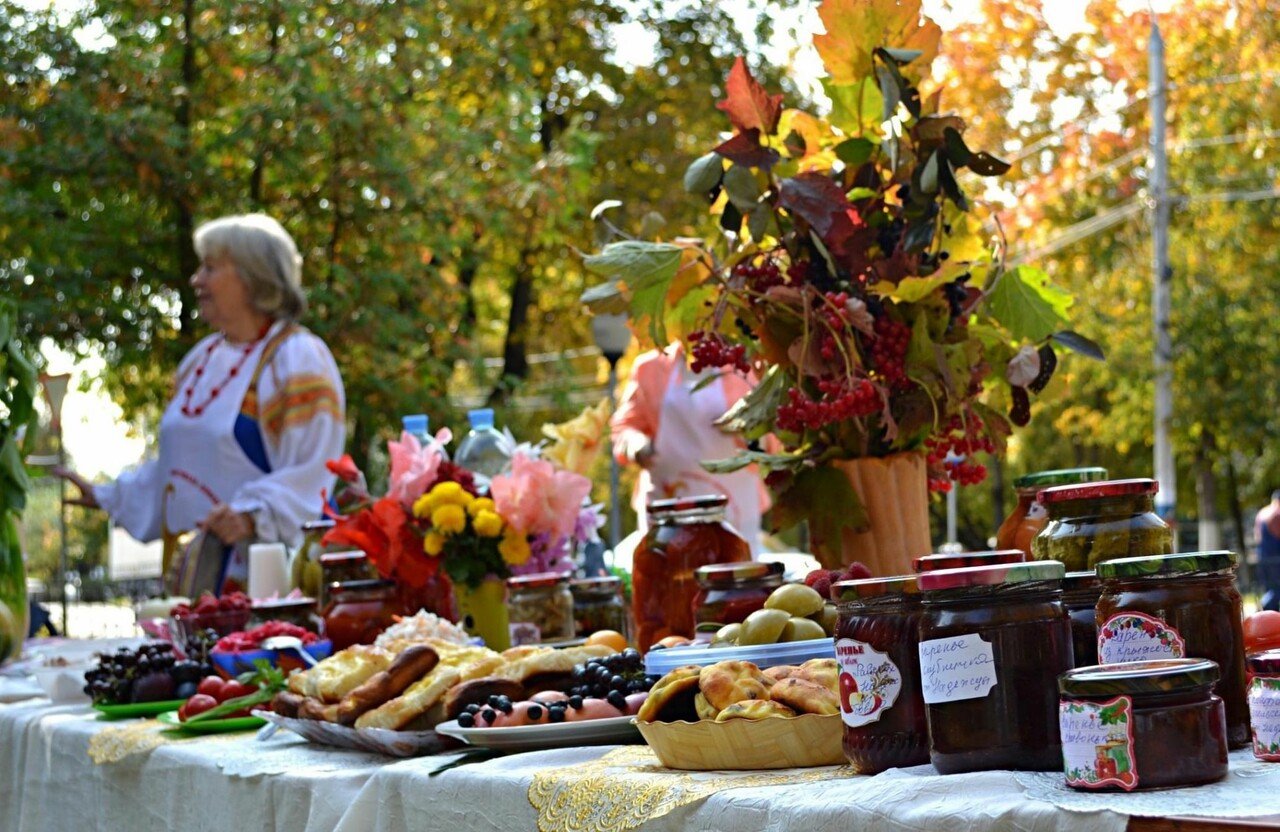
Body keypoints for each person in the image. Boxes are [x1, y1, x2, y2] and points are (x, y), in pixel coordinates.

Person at [56, 214, 345, 596]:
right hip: (193, 584)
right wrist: (109, 495)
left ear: (251, 277)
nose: (197, 280)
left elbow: (313, 471)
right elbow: (176, 468)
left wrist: (253, 513)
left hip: (268, 588)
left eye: (210, 268)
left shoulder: (296, 358)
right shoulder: (200, 359)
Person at [611, 341, 767, 554]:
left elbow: (771, 436)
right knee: (667, 578)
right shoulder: (649, 367)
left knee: (734, 580)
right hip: (665, 504)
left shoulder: (743, 369)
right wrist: (635, 445)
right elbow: (624, 428)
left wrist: (749, 431)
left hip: (734, 507)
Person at [1256, 489, 1280, 611]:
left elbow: (1257, 536)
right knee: (1277, 589)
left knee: (1269, 587)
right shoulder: (1276, 513)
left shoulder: (1262, 513)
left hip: (1263, 556)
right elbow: (1277, 533)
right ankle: (1264, 608)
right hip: (1275, 558)